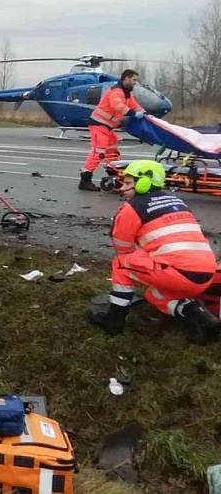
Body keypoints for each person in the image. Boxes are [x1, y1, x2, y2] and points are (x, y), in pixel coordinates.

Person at [89, 160, 221, 344]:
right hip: (205, 274)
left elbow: (123, 249)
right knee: (153, 295)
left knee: (121, 264)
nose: (122, 188)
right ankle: (201, 318)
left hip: (177, 273)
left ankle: (113, 320)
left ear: (143, 183)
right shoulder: (178, 202)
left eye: (127, 183)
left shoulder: (132, 208)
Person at [80, 69, 145, 191]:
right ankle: (85, 179)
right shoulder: (116, 91)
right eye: (134, 80)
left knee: (111, 149)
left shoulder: (126, 94)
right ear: (126, 78)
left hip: (106, 126)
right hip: (99, 125)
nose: (135, 83)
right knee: (98, 152)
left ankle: (114, 174)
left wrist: (144, 113)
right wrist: (133, 113)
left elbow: (135, 105)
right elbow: (117, 106)